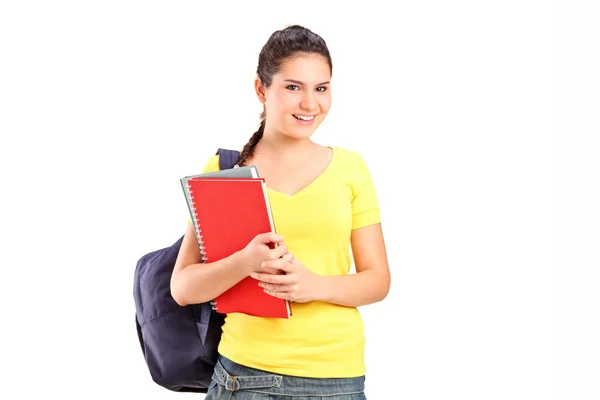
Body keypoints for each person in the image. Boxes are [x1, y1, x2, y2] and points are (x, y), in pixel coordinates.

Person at [171, 24, 390, 399]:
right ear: (261, 89)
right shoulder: (225, 171)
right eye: (293, 87)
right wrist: (244, 261)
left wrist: (313, 286)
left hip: (336, 381)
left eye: (321, 88)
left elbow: (378, 280)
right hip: (243, 378)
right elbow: (183, 287)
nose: (310, 103)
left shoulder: (351, 169)